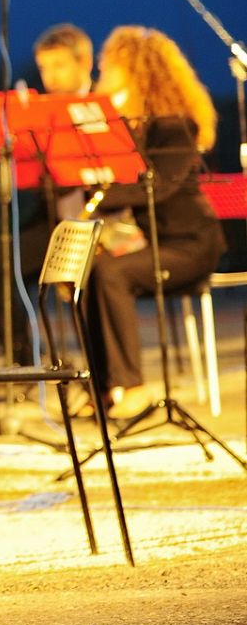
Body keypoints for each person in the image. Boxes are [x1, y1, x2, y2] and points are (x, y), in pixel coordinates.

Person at [86, 25, 225, 417]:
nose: (101, 72)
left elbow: (157, 188)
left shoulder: (175, 126)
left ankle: (133, 385)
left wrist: (99, 194)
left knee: (111, 273)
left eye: (109, 66)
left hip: (192, 245)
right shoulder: (133, 127)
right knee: (90, 270)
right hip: (157, 244)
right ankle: (103, 388)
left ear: (137, 70)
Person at [0, 23, 94, 363]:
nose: (50, 76)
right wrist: (7, 153)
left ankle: (101, 370)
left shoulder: (103, 106)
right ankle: (25, 360)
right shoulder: (38, 116)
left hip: (95, 223)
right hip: (52, 223)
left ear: (84, 63)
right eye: (44, 67)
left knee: (95, 278)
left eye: (59, 65)